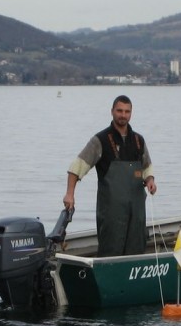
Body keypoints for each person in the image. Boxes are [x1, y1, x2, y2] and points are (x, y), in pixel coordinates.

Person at [63, 95, 157, 257]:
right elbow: (76, 168)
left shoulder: (138, 140)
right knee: (110, 250)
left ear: (131, 113)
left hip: (136, 212)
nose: (123, 115)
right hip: (111, 213)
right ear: (112, 111)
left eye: (127, 111)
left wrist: (150, 181)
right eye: (119, 111)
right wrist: (70, 194)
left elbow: (147, 168)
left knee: (136, 249)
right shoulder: (100, 140)